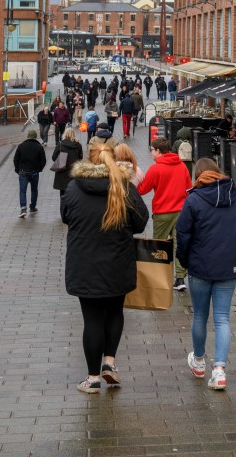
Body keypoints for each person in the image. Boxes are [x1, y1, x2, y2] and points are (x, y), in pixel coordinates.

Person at [61, 137, 149, 393]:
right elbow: (141, 221)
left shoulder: (75, 187)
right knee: (114, 313)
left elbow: (66, 216)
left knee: (91, 320)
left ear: (90, 158)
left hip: (84, 265)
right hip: (117, 264)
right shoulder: (123, 187)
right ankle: (109, 363)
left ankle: (92, 378)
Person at [176, 157, 236, 391]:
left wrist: (184, 261)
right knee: (222, 317)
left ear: (197, 176)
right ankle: (219, 371)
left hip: (200, 266)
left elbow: (183, 235)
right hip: (228, 266)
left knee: (199, 315)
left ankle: (198, 361)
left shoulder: (193, 200)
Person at [137, 136, 192, 290]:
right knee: (179, 245)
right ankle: (180, 279)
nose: (151, 153)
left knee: (159, 246)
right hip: (181, 211)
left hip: (162, 213)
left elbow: (143, 189)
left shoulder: (155, 168)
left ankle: (159, 278)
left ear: (159, 151)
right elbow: (189, 189)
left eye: (152, 150)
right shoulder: (182, 166)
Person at [13, 129, 47, 218]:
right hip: (34, 171)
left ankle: (23, 209)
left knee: (22, 191)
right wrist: (39, 169)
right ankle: (32, 207)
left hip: (23, 171)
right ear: (35, 137)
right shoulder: (39, 147)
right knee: (34, 190)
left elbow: (16, 159)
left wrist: (17, 169)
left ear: (28, 136)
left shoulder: (21, 146)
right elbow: (43, 161)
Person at [51, 126, 83, 210]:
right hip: (74, 172)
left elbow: (54, 157)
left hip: (62, 171)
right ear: (74, 134)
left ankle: (63, 209)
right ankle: (72, 208)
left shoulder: (61, 144)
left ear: (65, 134)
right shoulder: (78, 145)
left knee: (63, 192)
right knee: (74, 191)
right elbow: (80, 158)